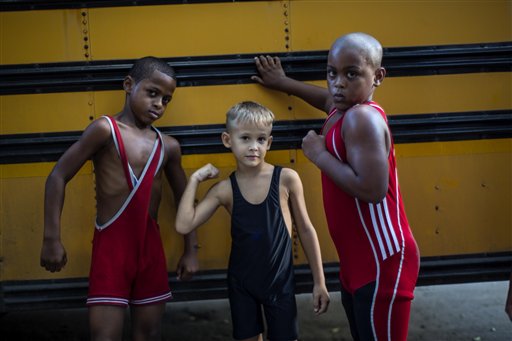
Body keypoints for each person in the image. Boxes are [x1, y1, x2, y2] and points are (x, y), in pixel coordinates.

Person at [252, 32, 420, 341]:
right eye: (332, 72)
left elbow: (372, 190)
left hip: (382, 259)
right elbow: (326, 98)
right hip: (359, 261)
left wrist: (318, 155)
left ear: (378, 76)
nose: (338, 83)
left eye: (351, 73)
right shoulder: (342, 108)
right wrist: (283, 83)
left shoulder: (363, 119)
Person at [40, 56, 199, 341]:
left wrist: (191, 250)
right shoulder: (105, 130)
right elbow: (57, 176)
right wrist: (51, 238)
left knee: (149, 334)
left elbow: (184, 198)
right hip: (111, 249)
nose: (159, 105)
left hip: (150, 249)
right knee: (104, 336)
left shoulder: (169, 147)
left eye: (166, 100)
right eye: (152, 93)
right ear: (128, 85)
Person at [175, 101, 330, 341]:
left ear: (268, 142)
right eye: (245, 138)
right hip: (242, 284)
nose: (253, 147)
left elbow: (307, 229)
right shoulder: (224, 190)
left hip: (280, 284)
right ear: (228, 140)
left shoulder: (286, 179)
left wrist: (319, 282)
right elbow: (184, 225)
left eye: (260, 140)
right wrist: (195, 179)